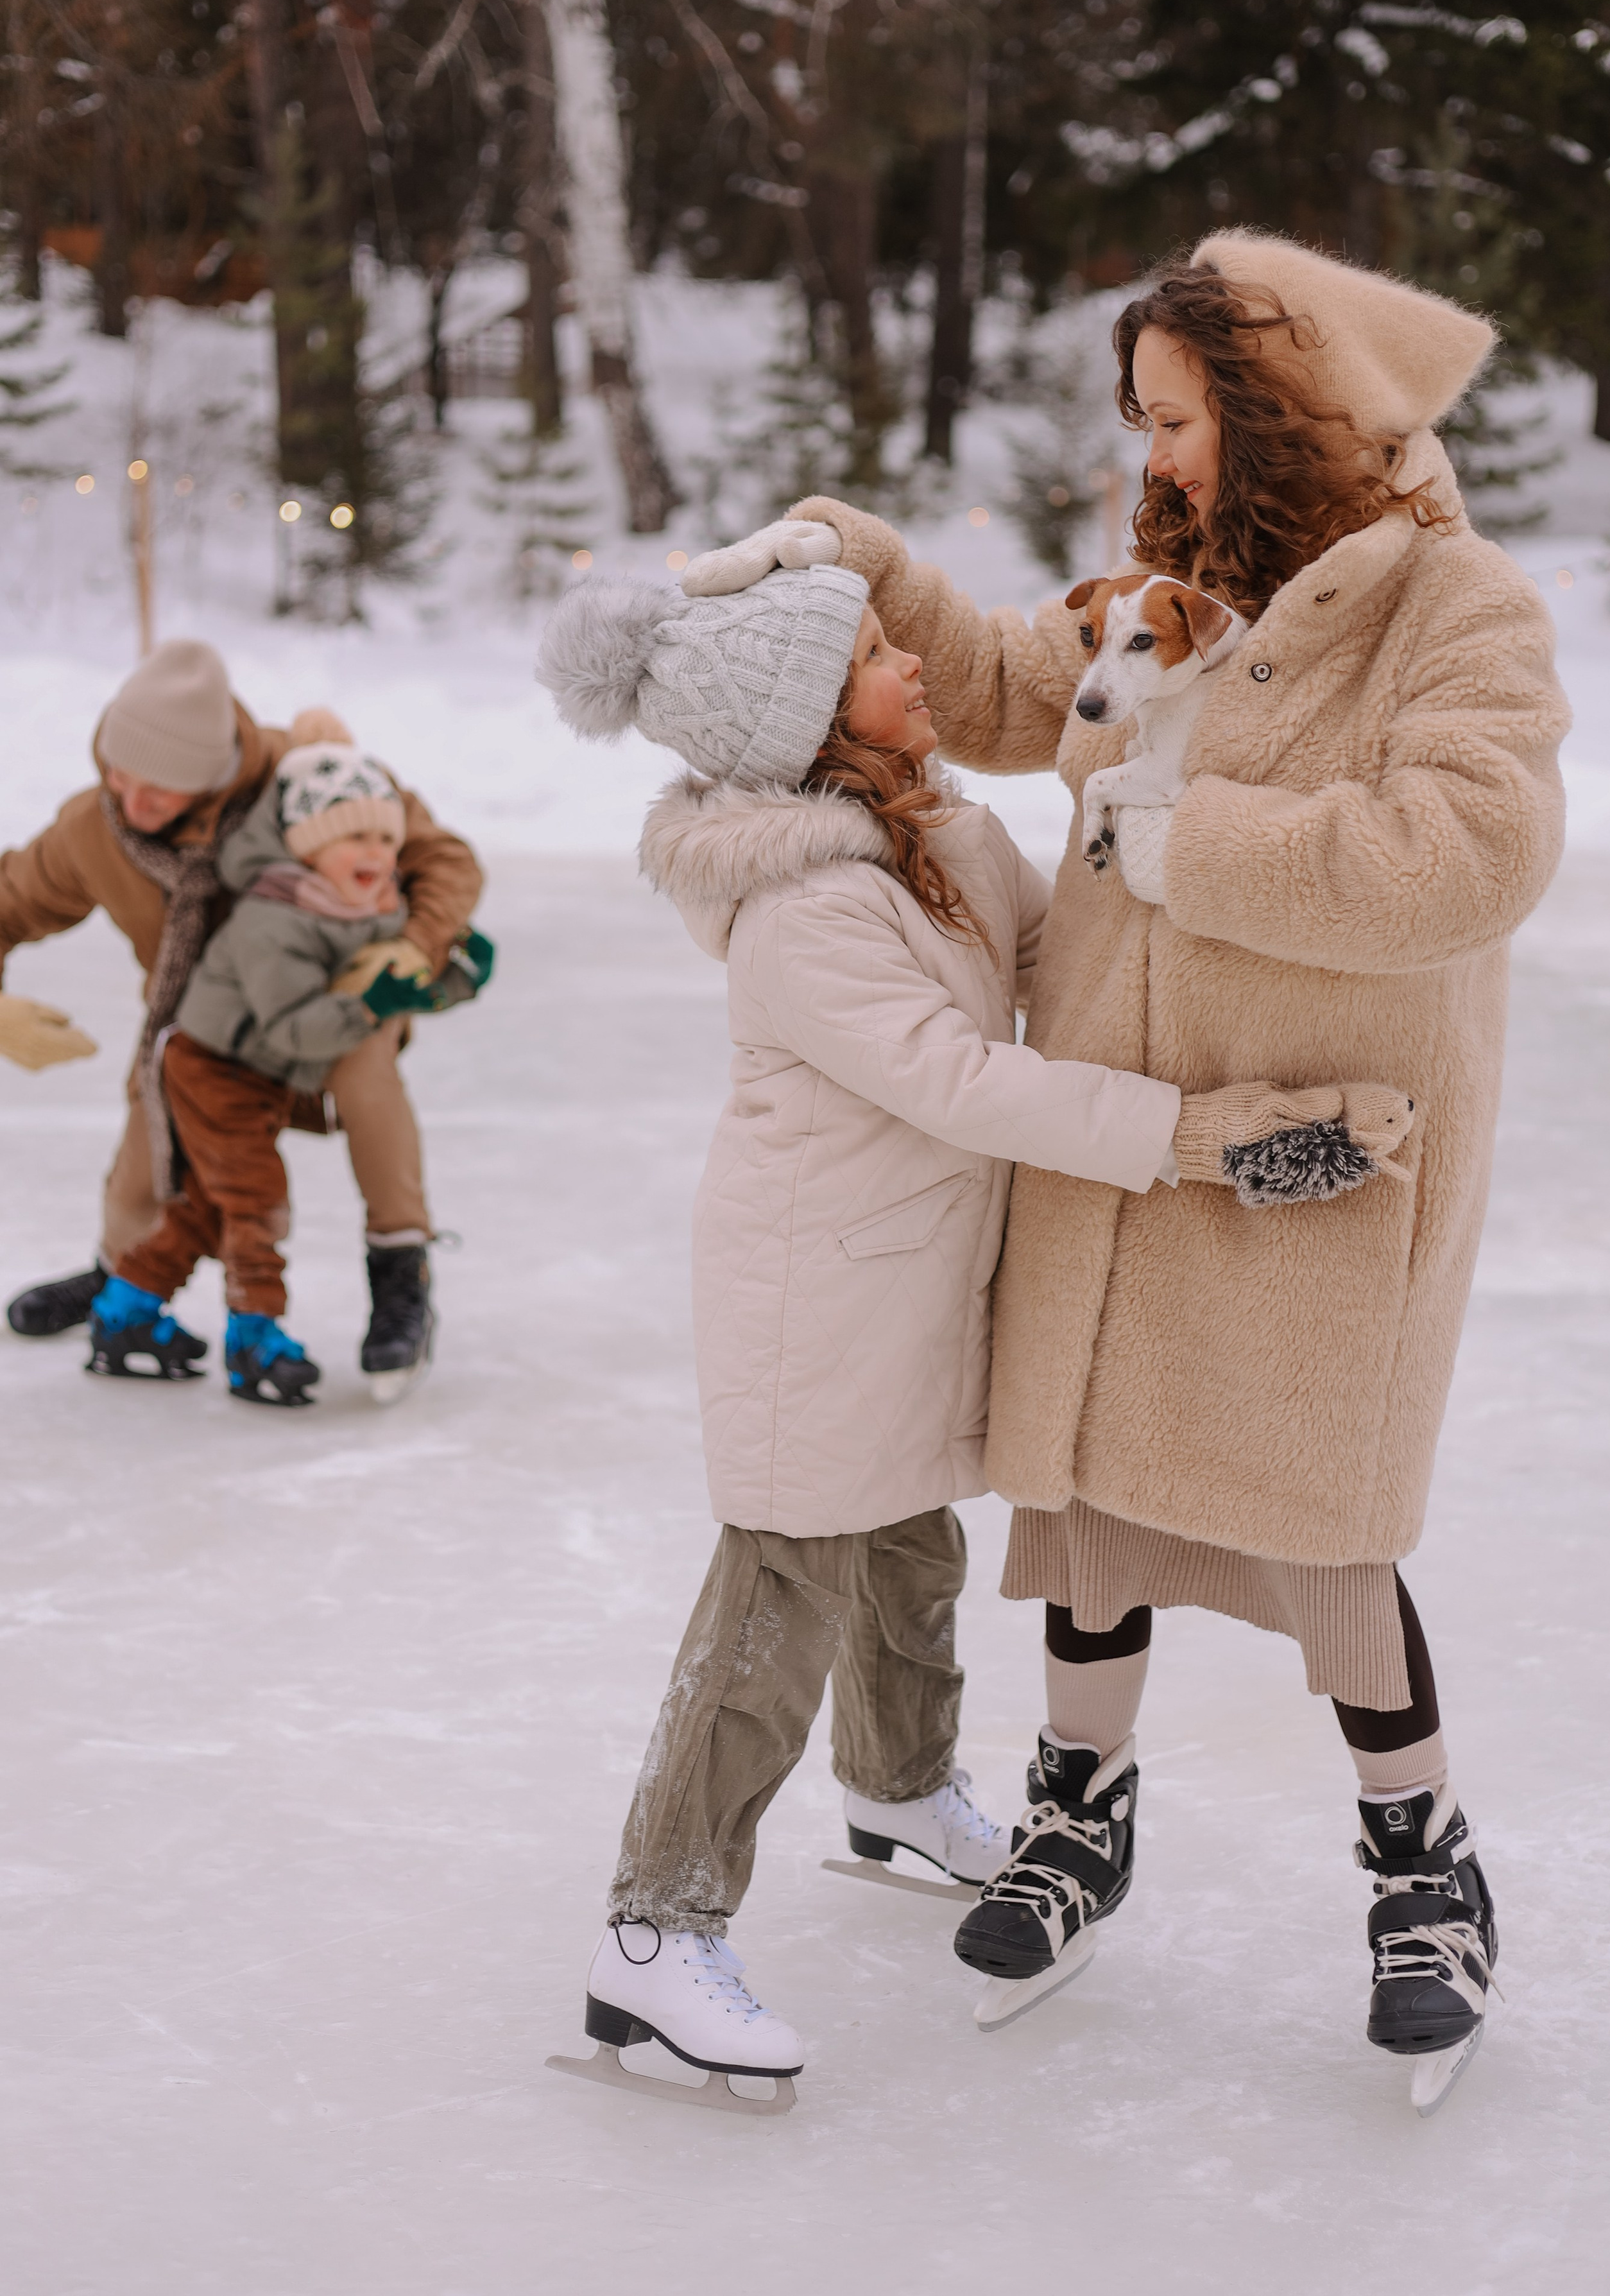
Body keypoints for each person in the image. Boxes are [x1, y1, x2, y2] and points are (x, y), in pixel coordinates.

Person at [697, 230, 1571, 2112]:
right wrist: (868, 559)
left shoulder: (1456, 603)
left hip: (1316, 1136)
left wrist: (1190, 844)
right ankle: (1077, 1805)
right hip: (1121, 1131)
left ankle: (1423, 1860)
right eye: (1147, 420)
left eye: (1177, 417)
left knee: (1324, 1527)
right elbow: (1016, 685)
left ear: (1284, 410)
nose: (1154, 453)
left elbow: (1473, 845)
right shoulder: (1177, 572)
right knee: (1090, 1494)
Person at [536, 553, 1411, 2109]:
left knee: (909, 1547)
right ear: (809, 719)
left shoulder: (935, 827)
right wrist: (1196, 1134)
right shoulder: (800, 904)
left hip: (924, 1271)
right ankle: (655, 1929)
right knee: (780, 1589)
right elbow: (968, 1077)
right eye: (878, 658)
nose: (915, 668)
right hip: (817, 1292)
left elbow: (1050, 963)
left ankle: (896, 1788)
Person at [0, 637, 482, 1385]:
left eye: (156, 790)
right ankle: (117, 1277)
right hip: (199, 1022)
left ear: (210, 776)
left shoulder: (307, 776)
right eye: (118, 775)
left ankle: (400, 1268)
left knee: (367, 1075)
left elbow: (443, 859)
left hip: (333, 997)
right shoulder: (95, 829)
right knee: (147, 1136)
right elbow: (8, 902)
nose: (133, 803)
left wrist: (413, 948)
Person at [88, 727, 489, 1404]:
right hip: (214, 1069)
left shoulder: (360, 899)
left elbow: (383, 969)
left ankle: (123, 1312)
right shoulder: (275, 916)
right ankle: (254, 1337)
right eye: (353, 838)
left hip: (257, 1070)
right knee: (256, 1204)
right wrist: (374, 1006)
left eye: (388, 841)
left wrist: (448, 977)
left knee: (209, 1207)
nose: (377, 855)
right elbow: (298, 1027)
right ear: (306, 844)